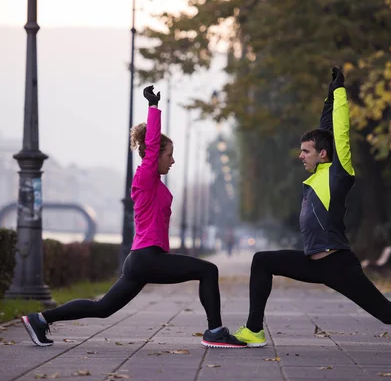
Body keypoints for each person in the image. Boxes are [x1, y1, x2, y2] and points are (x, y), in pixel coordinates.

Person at [232, 68, 391, 353]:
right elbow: (326, 131)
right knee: (262, 261)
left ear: (322, 154)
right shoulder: (318, 175)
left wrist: (340, 94)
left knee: (389, 314)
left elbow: (339, 132)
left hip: (337, 264)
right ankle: (253, 330)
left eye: (305, 151)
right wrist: (328, 99)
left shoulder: (338, 174)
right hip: (313, 262)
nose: (300, 155)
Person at [22, 86, 246, 349]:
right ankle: (215, 331)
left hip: (141, 260)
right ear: (154, 156)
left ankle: (40, 319)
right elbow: (152, 147)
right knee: (208, 270)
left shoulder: (156, 184)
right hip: (147, 258)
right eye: (169, 155)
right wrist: (153, 108)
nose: (172, 161)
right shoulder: (145, 177)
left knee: (103, 308)